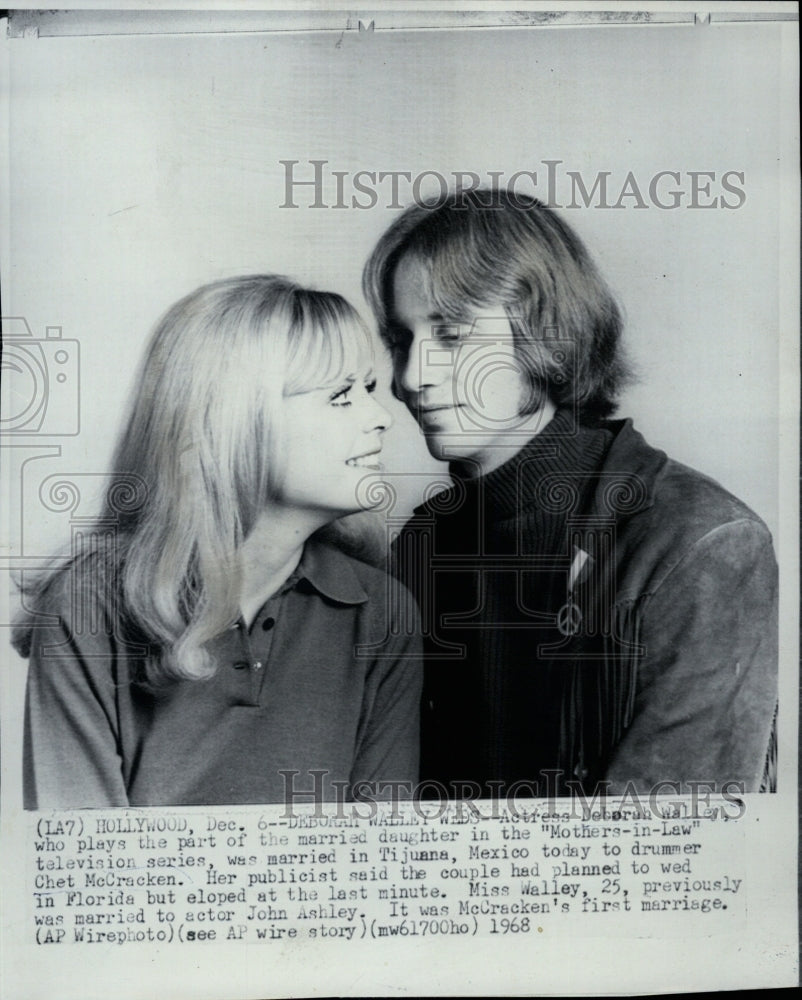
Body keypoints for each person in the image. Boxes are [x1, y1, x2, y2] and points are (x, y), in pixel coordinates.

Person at [363, 188, 778, 799]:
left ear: (544, 333)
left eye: (450, 335)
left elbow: (676, 845)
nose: (411, 377)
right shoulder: (424, 542)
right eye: (401, 340)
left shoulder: (700, 542)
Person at [16, 275, 422, 808]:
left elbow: (383, 843)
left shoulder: (383, 612)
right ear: (234, 420)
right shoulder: (88, 603)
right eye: (342, 396)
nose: (382, 418)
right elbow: (76, 851)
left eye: (369, 389)